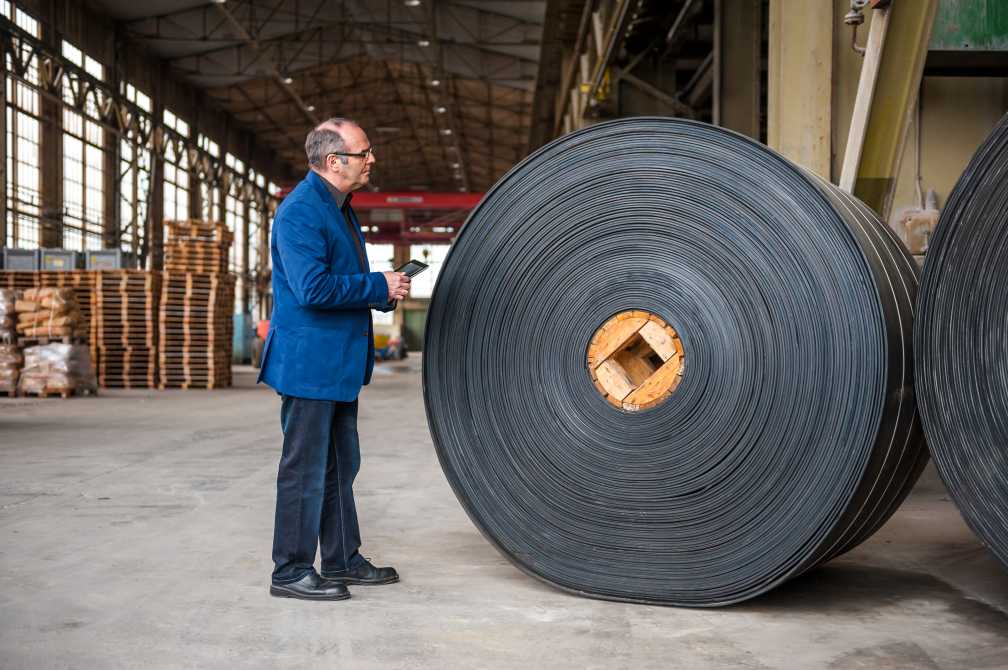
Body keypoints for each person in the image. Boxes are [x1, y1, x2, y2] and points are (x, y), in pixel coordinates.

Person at [258, 117, 411, 601]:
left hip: (337, 365)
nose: (371, 160)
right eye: (363, 153)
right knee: (305, 469)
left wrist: (385, 292)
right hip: (309, 366)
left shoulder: (340, 208)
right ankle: (290, 570)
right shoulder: (302, 211)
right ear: (332, 161)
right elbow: (312, 289)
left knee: (340, 465)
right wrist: (375, 285)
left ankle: (342, 559)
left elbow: (344, 281)